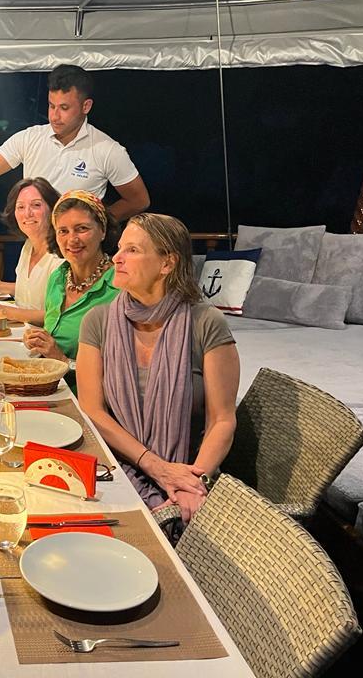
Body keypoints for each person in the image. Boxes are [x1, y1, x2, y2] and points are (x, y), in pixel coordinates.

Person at [76, 213, 239, 525]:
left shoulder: (205, 323)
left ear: (167, 264)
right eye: (119, 249)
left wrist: (195, 483)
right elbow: (92, 410)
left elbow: (222, 420)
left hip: (187, 473)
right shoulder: (98, 321)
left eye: (133, 251)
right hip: (114, 468)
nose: (117, 258)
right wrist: (153, 465)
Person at [0, 64, 150, 226]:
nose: (55, 116)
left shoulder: (107, 149)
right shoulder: (30, 138)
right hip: (33, 248)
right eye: (51, 105)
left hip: (79, 256)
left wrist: (95, 223)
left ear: (86, 106)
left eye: (64, 107)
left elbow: (138, 200)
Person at [21, 190, 120, 365]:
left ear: (103, 231)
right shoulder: (58, 277)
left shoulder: (119, 287)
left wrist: (61, 360)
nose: (72, 239)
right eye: (63, 231)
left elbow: (120, 368)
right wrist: (39, 340)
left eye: (82, 229)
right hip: (49, 383)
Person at [0, 177, 63, 324]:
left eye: (36, 205)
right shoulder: (29, 245)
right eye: (20, 207)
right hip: (20, 331)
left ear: (52, 209)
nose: (27, 213)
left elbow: (55, 316)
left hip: (43, 340)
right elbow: (28, 289)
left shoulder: (60, 255)